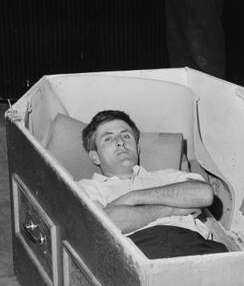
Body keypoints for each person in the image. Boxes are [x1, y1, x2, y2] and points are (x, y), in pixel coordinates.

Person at [77, 109, 228, 259]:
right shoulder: (88, 187)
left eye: (126, 136)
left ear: (137, 147)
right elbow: (105, 224)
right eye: (108, 139)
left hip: (198, 247)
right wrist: (173, 209)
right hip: (137, 252)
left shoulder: (168, 175)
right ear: (95, 156)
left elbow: (204, 194)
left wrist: (132, 199)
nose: (121, 142)